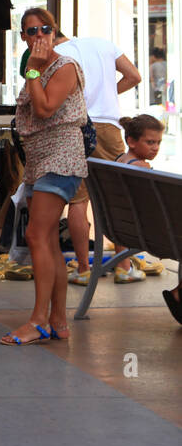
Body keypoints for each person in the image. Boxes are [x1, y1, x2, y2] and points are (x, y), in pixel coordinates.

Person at [2, 8, 87, 346]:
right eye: (30, 30)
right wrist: (33, 71)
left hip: (61, 156)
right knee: (48, 240)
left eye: (44, 29)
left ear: (54, 32)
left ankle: (38, 320)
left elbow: (45, 108)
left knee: (36, 235)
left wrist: (34, 70)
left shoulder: (64, 66)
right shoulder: (35, 68)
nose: (38, 35)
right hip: (40, 160)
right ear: (22, 36)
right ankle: (58, 320)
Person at [53, 31, 142, 286]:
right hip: (107, 126)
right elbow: (134, 76)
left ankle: (83, 269)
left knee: (78, 200)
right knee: (116, 198)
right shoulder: (105, 45)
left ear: (54, 38)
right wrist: (108, 94)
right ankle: (124, 267)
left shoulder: (59, 54)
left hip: (74, 127)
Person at [114, 114, 172, 289]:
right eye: (150, 142)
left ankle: (123, 266)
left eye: (158, 142)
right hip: (140, 228)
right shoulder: (141, 167)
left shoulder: (119, 160)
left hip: (119, 224)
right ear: (131, 141)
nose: (155, 148)